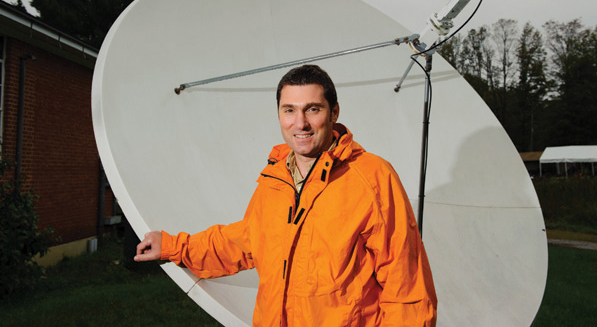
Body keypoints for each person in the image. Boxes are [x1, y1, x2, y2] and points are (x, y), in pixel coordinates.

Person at [135, 64, 437, 327]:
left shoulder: (372, 178)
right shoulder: (275, 178)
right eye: (289, 110)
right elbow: (243, 242)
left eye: (313, 109)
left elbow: (407, 288)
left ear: (334, 112)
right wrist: (174, 246)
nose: (300, 123)